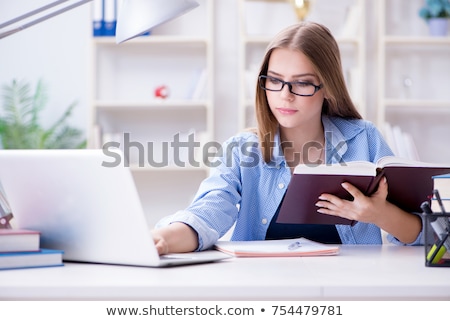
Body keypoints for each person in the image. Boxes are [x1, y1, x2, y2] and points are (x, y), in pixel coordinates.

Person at [152, 21, 423, 255]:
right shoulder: (242, 150)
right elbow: (207, 213)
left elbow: (426, 235)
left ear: (327, 87)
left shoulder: (364, 139)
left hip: (348, 290)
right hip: (264, 291)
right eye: (274, 80)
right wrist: (161, 240)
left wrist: (378, 215)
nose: (285, 95)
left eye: (302, 83)